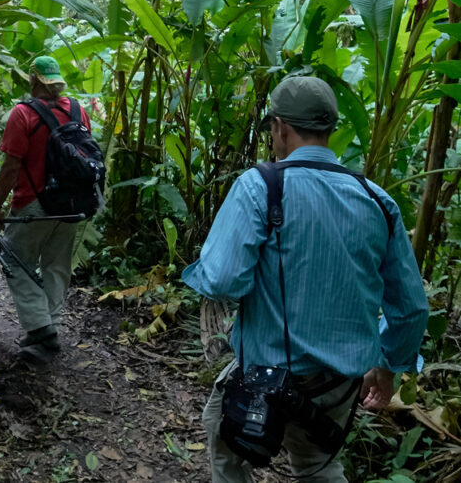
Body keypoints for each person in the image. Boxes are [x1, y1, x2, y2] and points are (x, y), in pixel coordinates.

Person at [182, 76, 428, 481]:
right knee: (318, 464)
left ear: (279, 126)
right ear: (330, 128)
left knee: (223, 435)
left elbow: (223, 279)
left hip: (266, 373)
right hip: (340, 384)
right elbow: (412, 307)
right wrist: (386, 366)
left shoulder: (260, 186)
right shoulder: (376, 199)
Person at [0, 56, 92, 364]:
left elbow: (11, 167)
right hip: (72, 204)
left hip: (33, 202)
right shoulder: (78, 110)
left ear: (33, 80)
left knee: (15, 260)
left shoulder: (23, 114)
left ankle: (41, 328)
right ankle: (49, 328)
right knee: (57, 266)